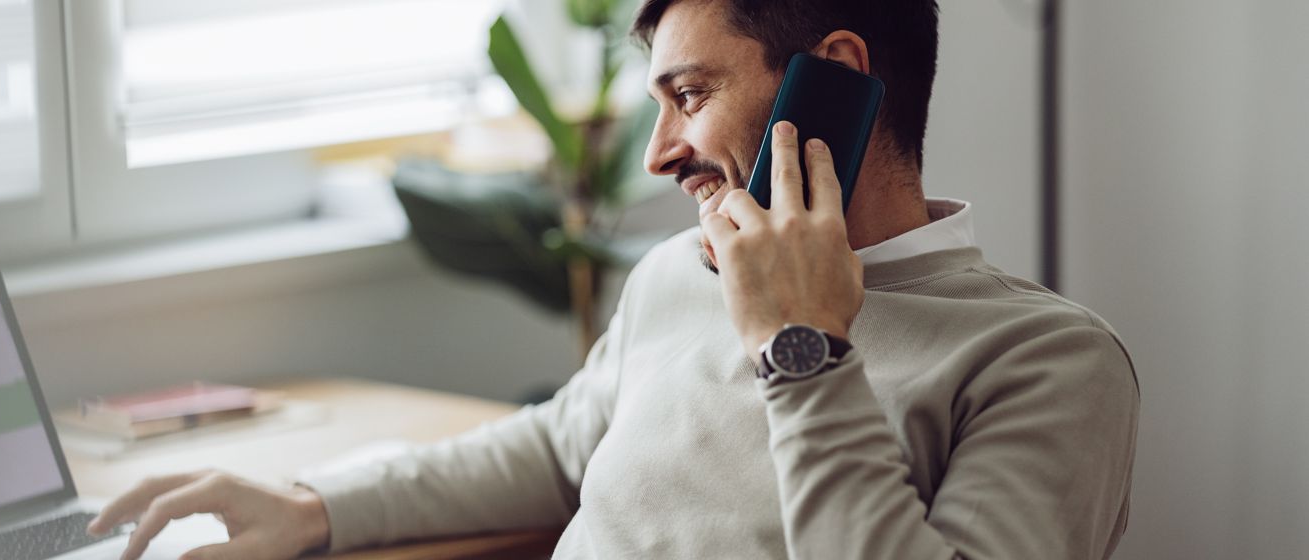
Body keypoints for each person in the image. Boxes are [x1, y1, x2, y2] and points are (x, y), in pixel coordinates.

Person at [88, 1, 1140, 558]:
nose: (658, 153)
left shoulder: (1047, 361)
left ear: (840, 79)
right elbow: (555, 443)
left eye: (690, 94)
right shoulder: (681, 277)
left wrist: (801, 345)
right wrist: (314, 504)